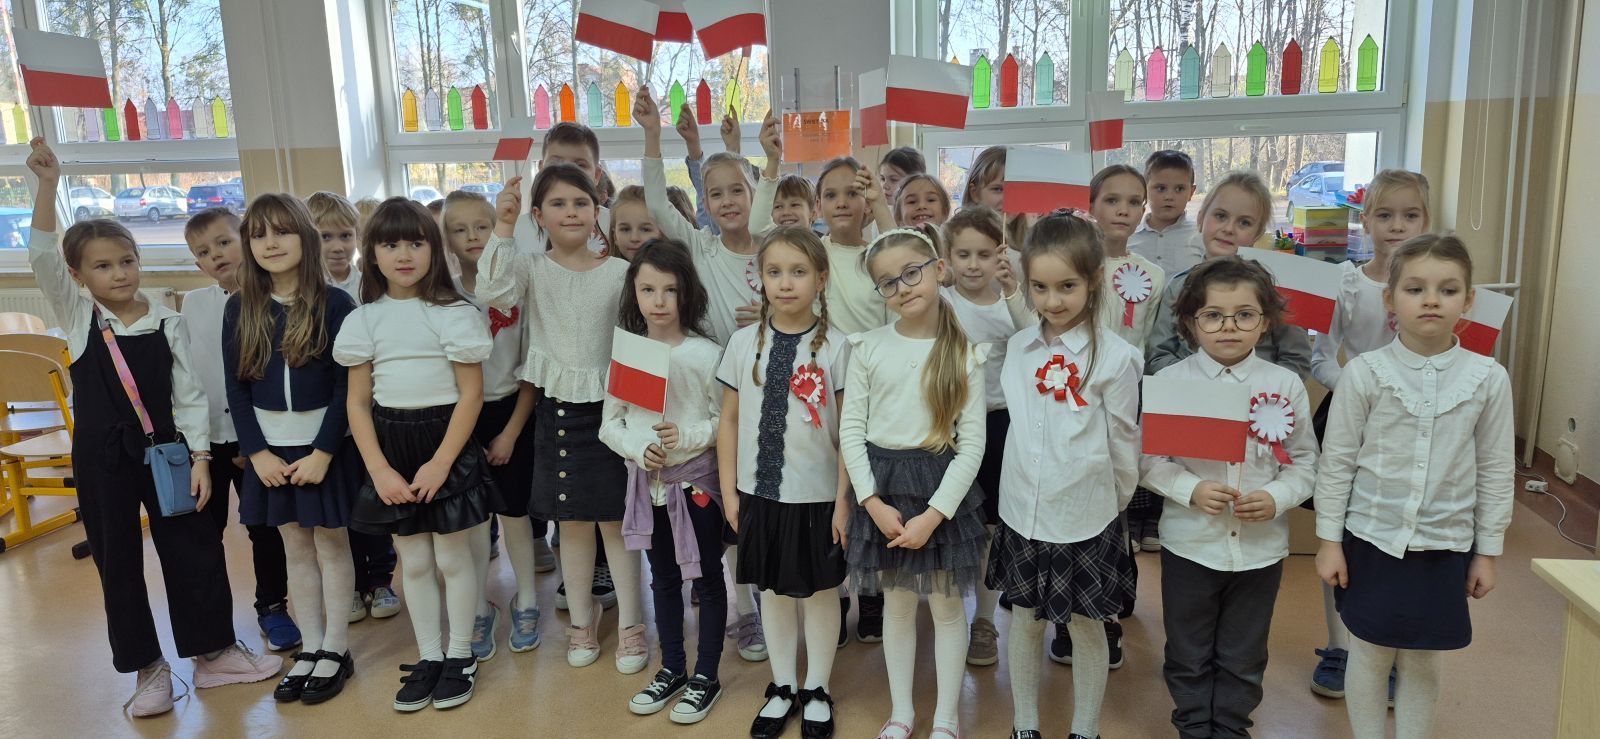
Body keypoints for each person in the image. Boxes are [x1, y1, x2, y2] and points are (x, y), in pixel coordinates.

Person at [26, 138, 281, 717]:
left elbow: (188, 396)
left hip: (169, 454)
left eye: (127, 261)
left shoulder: (168, 320)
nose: (119, 273)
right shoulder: (78, 316)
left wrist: (200, 460)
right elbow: (41, 254)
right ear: (77, 275)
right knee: (117, 561)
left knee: (194, 550)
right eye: (103, 266)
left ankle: (213, 654)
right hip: (102, 458)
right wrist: (47, 185)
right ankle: (149, 669)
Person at [1315, 235, 1513, 739]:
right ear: (1390, 299)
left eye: (1448, 290)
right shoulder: (1364, 374)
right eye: (1415, 288)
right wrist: (1329, 541)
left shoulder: (1488, 378)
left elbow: (1495, 468)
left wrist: (1487, 552)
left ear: (1468, 301)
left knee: (1424, 658)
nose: (1431, 300)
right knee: (1369, 651)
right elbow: (1337, 463)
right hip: (1372, 538)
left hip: (1444, 544)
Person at [335, 197, 501, 711]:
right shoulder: (364, 320)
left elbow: (471, 395)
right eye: (390, 245)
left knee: (452, 556)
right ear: (372, 254)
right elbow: (357, 403)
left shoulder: (455, 313)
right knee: (414, 559)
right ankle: (429, 655)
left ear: (434, 249)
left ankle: (460, 655)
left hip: (444, 443)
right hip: (391, 448)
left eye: (415, 243)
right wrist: (379, 469)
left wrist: (441, 463)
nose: (404, 255)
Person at [479, 165, 646, 673]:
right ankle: (580, 617)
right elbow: (492, 292)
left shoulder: (620, 272)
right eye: (558, 203)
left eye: (581, 202)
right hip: (557, 412)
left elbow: (641, 340)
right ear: (538, 214)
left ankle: (632, 623)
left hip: (613, 410)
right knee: (572, 524)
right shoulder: (531, 268)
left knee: (616, 523)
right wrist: (503, 225)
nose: (571, 212)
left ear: (597, 211)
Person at [1141, 256, 1318, 738]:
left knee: (1244, 653)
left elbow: (1305, 463)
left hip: (1260, 552)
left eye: (1244, 315)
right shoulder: (1172, 384)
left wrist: (1277, 497)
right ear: (1189, 322)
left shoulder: (1283, 384)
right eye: (1213, 315)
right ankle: (1193, 726)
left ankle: (1232, 728)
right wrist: (1191, 489)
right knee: (1188, 650)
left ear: (1265, 322)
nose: (1228, 327)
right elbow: (1149, 461)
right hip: (1190, 546)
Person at [990, 212, 1142, 739]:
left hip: (1085, 514)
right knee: (1025, 620)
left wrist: (1113, 503)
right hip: (1022, 510)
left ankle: (1085, 727)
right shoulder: (1018, 348)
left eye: (1067, 287)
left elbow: (1124, 440)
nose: (1052, 301)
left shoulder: (1117, 358)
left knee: (1087, 625)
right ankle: (1025, 723)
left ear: (1094, 279)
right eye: (1040, 287)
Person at [842, 225, 988, 739]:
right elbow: (851, 432)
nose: (902, 288)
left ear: (938, 270)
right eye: (888, 282)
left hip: (939, 494)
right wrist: (871, 502)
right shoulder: (867, 347)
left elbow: (971, 446)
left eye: (911, 273)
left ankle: (946, 718)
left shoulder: (965, 355)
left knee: (948, 609)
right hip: (883, 492)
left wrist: (933, 516)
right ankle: (901, 712)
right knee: (898, 607)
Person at [223, 193, 364, 704]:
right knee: (295, 549)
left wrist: (324, 452)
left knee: (331, 544)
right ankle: (311, 646)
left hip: (323, 449)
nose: (270, 243)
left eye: (281, 231)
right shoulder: (240, 306)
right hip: (270, 454)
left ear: (304, 236)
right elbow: (236, 388)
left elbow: (347, 388)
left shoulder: (336, 304)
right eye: (259, 234)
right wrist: (257, 452)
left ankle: (337, 648)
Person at [718, 227, 852, 739]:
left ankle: (817, 687)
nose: (786, 283)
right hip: (759, 494)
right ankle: (782, 685)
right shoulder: (741, 343)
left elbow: (849, 432)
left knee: (819, 592)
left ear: (821, 279)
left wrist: (844, 502)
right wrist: (730, 492)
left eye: (798, 272)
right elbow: (729, 420)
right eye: (774, 272)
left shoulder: (838, 347)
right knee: (772, 590)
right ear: (760, 279)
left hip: (819, 496)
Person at [1306, 169, 1432, 700]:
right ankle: (1339, 648)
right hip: (1351, 422)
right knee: (1338, 530)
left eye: (1410, 215)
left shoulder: (1434, 288)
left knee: (1397, 536)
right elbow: (1319, 358)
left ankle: (1390, 651)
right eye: (1385, 215)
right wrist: (1362, 391)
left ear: (1426, 220)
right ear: (1365, 221)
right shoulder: (1347, 283)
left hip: (1415, 428)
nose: (1397, 226)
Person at [605, 241, 729, 724]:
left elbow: (724, 421)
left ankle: (706, 676)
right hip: (647, 488)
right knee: (663, 579)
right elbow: (610, 424)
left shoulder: (705, 354)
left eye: (670, 290)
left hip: (696, 487)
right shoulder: (629, 353)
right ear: (634, 293)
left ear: (687, 293)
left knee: (709, 579)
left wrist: (687, 436)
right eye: (648, 289)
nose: (658, 301)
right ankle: (672, 667)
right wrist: (638, 447)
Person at [182, 207, 299, 654]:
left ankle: (272, 606)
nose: (215, 255)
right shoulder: (193, 304)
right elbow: (191, 377)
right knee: (204, 534)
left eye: (224, 242)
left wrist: (254, 443)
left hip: (258, 440)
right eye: (203, 252)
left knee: (265, 530)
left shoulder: (273, 300)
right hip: (206, 440)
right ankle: (213, 626)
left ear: (247, 241)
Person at [441, 190, 547, 661]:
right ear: (447, 239)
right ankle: (479, 607)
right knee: (473, 522)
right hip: (458, 419)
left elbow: (531, 368)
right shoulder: (443, 296)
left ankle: (527, 600)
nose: (472, 237)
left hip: (511, 413)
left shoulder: (517, 289)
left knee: (515, 513)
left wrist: (510, 432)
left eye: (481, 227)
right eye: (459, 229)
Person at [939, 204, 1030, 668]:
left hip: (999, 424)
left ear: (1001, 255)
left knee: (993, 526)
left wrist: (1014, 292)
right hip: (949, 427)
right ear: (947, 258)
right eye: (963, 254)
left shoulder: (1013, 303)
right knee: (952, 522)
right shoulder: (940, 302)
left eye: (984, 254)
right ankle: (951, 618)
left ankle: (985, 620)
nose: (973, 265)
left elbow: (1038, 339)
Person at [307, 191, 402, 623]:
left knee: (372, 501)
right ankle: (346, 586)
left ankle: (379, 581)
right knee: (336, 510)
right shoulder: (308, 292)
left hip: (370, 409)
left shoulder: (370, 284)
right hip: (329, 416)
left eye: (345, 235)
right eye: (325, 236)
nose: (337, 246)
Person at [814, 156, 897, 644]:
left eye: (854, 193)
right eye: (832, 194)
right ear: (818, 205)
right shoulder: (814, 254)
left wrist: (883, 205)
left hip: (876, 391)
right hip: (823, 393)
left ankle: (872, 595)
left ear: (868, 203)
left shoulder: (879, 256)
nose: (842, 202)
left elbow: (904, 254)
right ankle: (839, 594)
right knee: (835, 496)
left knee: (870, 494)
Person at [636, 88, 782, 346]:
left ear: (754, 195)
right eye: (716, 194)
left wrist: (777, 314)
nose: (727, 201)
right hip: (717, 367)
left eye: (737, 191)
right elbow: (657, 206)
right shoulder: (702, 247)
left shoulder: (777, 248)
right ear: (705, 203)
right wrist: (652, 134)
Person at [1146, 171, 1310, 378]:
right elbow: (1158, 356)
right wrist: (1199, 386)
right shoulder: (1178, 287)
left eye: (1244, 223)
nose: (1229, 229)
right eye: (1221, 216)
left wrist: (1259, 390)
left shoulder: (1278, 288)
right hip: (1190, 395)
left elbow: (1297, 360)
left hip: (1258, 395)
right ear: (1201, 219)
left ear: (1257, 234)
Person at [1127, 150, 1203, 276]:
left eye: (1179, 189)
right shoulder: (1128, 236)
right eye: (1161, 188)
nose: (1169, 196)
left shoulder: (1201, 237)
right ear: (1144, 189)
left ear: (1191, 192)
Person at [307, 192, 363, 300]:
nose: (338, 248)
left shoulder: (369, 287)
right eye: (325, 237)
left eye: (345, 236)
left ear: (357, 235)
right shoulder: (303, 289)